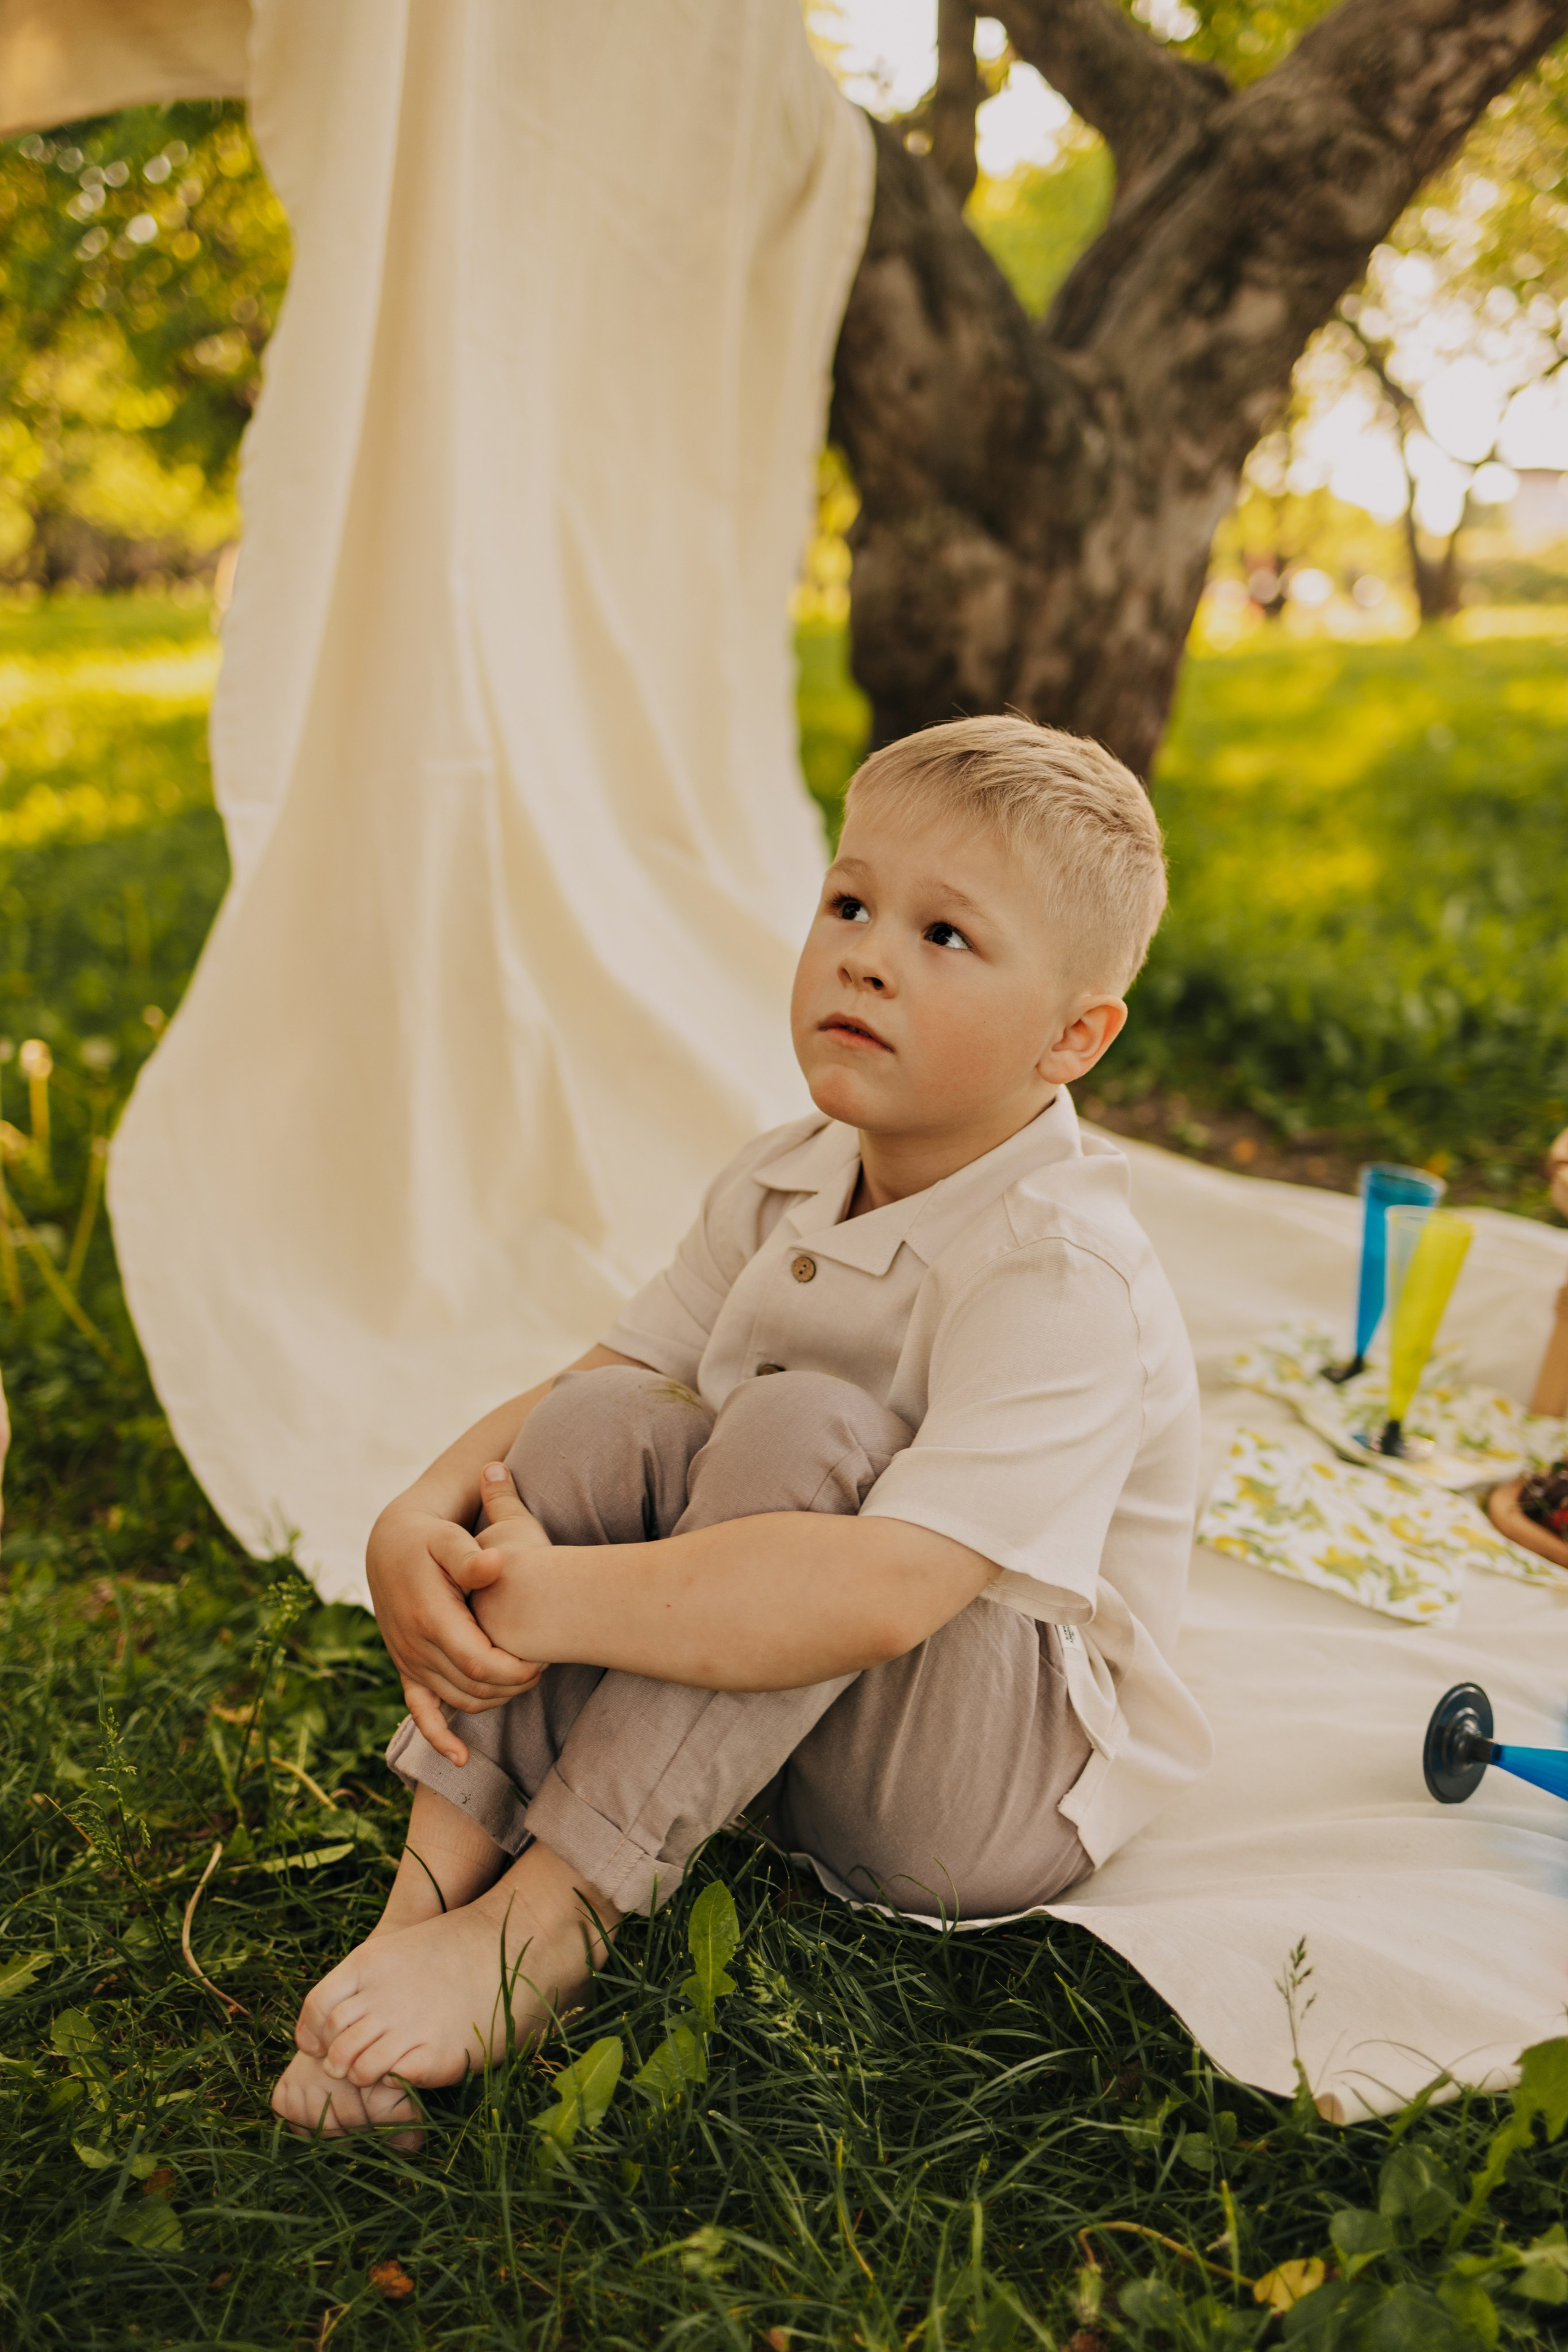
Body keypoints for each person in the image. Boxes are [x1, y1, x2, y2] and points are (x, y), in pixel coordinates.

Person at [272, 715, 1210, 2142]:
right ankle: (425, 1902)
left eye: (946, 936)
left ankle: (549, 1923)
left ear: (1072, 1037)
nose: (866, 954)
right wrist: (422, 1511)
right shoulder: (782, 1182)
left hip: (969, 1789)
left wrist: (551, 1594)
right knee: (593, 1420)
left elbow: (887, 1593)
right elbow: (605, 1375)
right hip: (772, 1731)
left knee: (799, 1434)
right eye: (848, 902)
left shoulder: (1057, 1272)